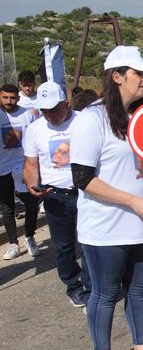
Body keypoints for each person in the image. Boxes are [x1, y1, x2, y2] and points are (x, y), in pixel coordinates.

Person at [70, 46, 143, 350]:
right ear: (117, 77)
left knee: (140, 289)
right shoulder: (91, 119)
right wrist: (132, 202)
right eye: (139, 73)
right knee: (105, 293)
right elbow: (83, 178)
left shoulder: (138, 118)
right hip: (105, 228)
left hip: (141, 224)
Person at [22, 81, 88, 306]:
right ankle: (74, 285)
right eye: (45, 111)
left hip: (87, 191)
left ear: (66, 103)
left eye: (54, 109)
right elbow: (31, 163)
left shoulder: (84, 121)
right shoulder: (35, 129)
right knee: (63, 247)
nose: (49, 115)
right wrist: (32, 184)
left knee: (89, 243)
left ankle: (92, 285)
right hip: (55, 196)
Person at [0, 82, 40, 259]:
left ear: (18, 97)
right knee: (7, 206)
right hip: (2, 168)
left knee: (31, 203)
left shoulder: (27, 114)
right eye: (5, 97)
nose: (9, 101)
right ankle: (13, 244)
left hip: (24, 166)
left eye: (12, 97)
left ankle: (30, 236)